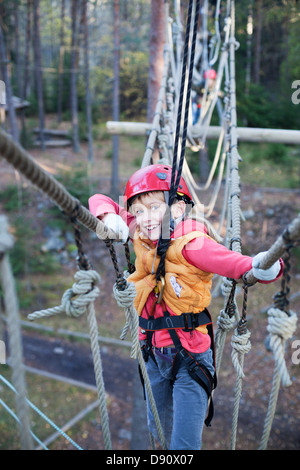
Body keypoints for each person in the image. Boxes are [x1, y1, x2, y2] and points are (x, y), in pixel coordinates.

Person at [89, 164, 283, 450]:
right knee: (159, 434)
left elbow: (232, 263)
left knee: (183, 444)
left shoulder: (192, 244)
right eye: (138, 211)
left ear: (177, 210)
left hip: (189, 359)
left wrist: (263, 266)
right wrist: (109, 216)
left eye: (154, 208)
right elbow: (98, 199)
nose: (144, 218)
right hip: (153, 356)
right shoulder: (142, 233)